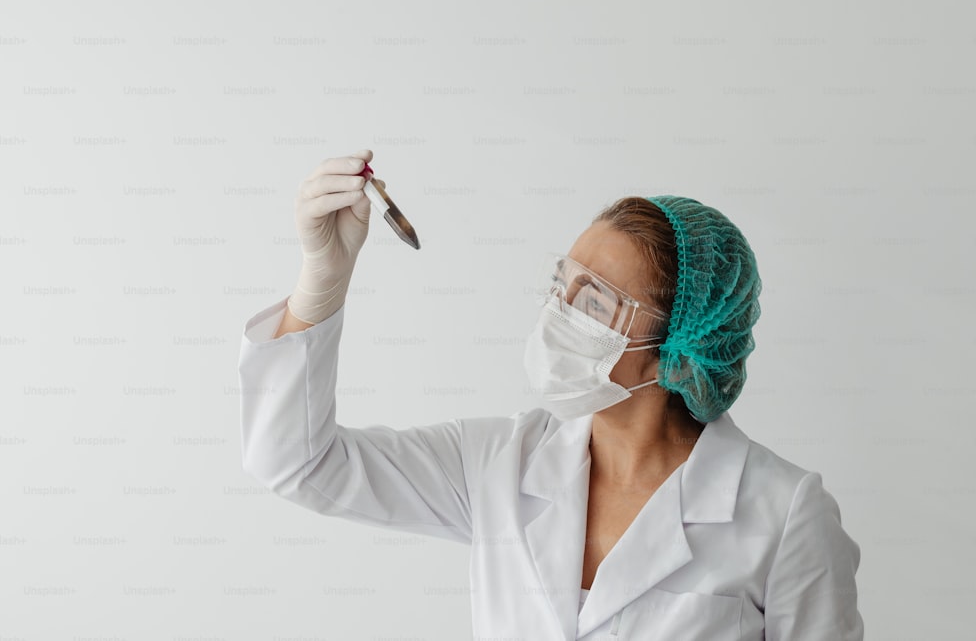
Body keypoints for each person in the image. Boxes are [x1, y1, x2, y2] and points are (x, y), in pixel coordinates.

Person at [237, 148, 864, 640]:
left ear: (682, 340)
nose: (558, 313)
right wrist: (322, 281)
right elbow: (298, 463)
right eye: (561, 283)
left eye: (592, 301)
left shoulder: (786, 515)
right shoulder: (496, 463)